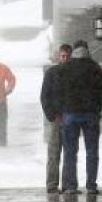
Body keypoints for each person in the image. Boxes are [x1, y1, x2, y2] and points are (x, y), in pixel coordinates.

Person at [57, 40, 102, 195]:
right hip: (90, 114)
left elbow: (59, 90)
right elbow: (101, 91)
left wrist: (63, 109)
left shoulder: (66, 68)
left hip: (70, 114)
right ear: (87, 49)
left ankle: (71, 186)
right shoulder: (95, 67)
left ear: (74, 51)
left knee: (70, 151)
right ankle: (91, 185)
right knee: (92, 150)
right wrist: (97, 109)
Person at [40, 43, 72, 194]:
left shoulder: (73, 73)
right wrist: (52, 115)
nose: (64, 58)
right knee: (55, 152)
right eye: (62, 55)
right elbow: (44, 96)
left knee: (68, 153)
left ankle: (66, 185)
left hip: (70, 118)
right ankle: (52, 184)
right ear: (58, 56)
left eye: (67, 55)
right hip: (59, 118)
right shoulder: (52, 73)